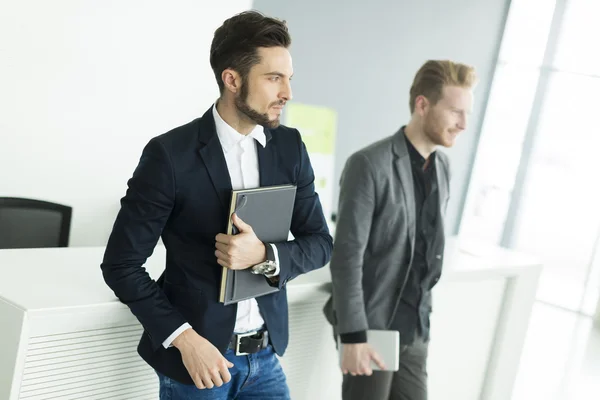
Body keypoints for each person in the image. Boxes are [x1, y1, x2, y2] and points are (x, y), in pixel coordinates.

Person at [101, 10, 333, 400]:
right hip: (200, 364)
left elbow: (321, 243)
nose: (287, 93)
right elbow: (121, 266)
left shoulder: (290, 148)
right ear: (232, 79)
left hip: (266, 357)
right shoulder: (170, 155)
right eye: (274, 78)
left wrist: (265, 255)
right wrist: (185, 340)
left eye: (288, 79)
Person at [323, 60, 477, 400]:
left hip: (416, 330)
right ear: (422, 105)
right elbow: (347, 257)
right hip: (371, 330)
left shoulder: (443, 167)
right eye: (455, 112)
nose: (464, 124)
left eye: (467, 113)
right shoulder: (369, 164)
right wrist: (352, 337)